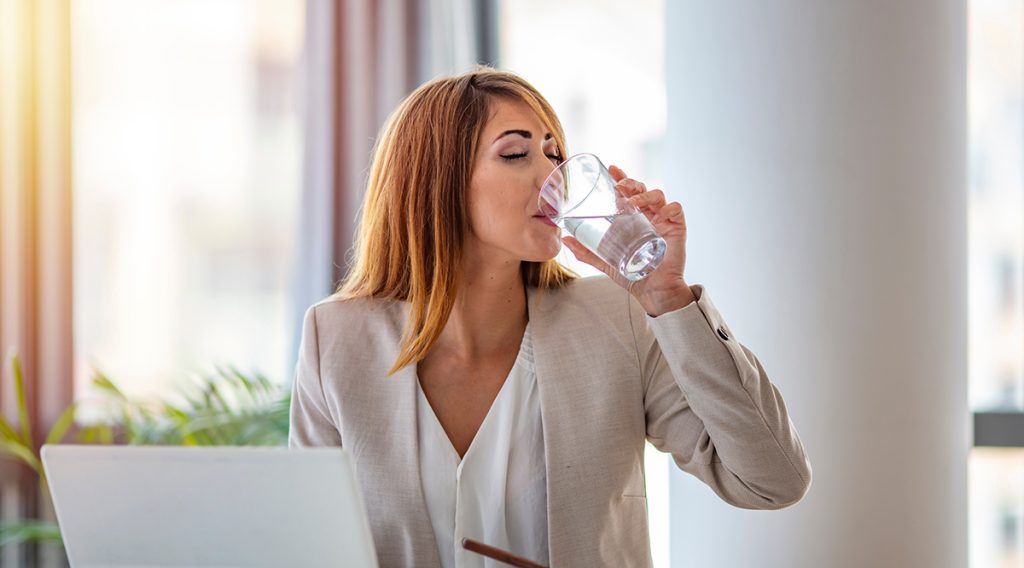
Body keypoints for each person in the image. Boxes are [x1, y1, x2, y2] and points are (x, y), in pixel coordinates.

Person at [289, 67, 812, 568]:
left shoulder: (619, 320)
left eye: (554, 152)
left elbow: (772, 479)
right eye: (516, 153)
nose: (553, 179)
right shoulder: (334, 340)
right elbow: (308, 545)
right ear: (437, 181)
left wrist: (667, 295)